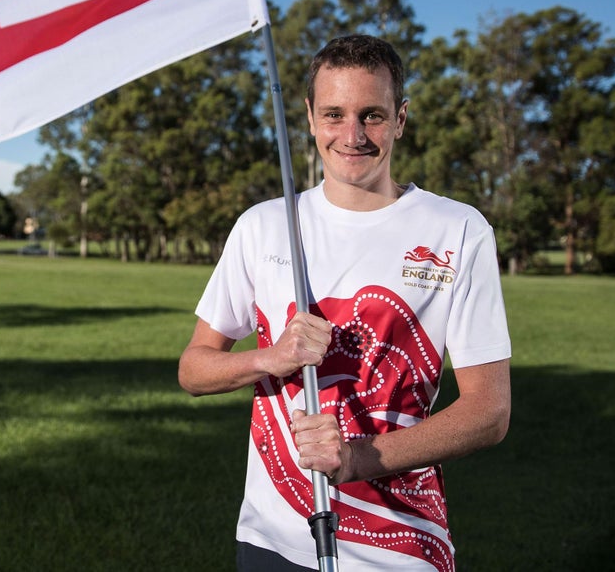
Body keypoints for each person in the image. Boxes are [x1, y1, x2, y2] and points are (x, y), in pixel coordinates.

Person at [178, 35, 511, 571]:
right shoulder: (263, 226)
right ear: (309, 117)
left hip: (400, 544)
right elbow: (194, 369)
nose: (352, 135)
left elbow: (488, 412)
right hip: (275, 537)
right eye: (334, 114)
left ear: (400, 119)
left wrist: (357, 458)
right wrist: (271, 357)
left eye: (372, 115)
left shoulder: (458, 229)